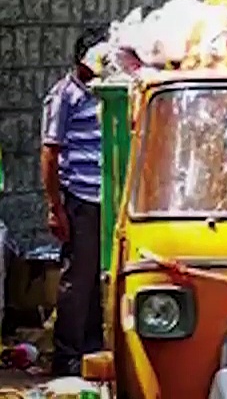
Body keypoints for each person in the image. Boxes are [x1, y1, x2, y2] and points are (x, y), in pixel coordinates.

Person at [40, 26, 108, 376]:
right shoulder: (64, 96)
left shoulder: (103, 93)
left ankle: (93, 346)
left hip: (106, 197)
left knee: (98, 276)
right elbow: (50, 154)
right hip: (80, 198)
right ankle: (66, 356)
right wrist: (55, 207)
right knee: (77, 279)